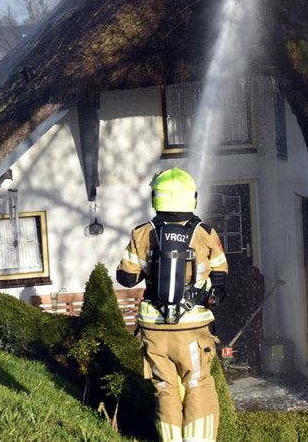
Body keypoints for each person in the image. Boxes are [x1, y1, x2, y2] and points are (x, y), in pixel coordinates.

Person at [116, 168, 228, 442]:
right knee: (197, 385)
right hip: (192, 328)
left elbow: (127, 278)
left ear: (156, 197)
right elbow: (221, 276)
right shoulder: (206, 233)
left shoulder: (142, 233)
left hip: (154, 327)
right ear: (192, 198)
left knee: (165, 388)